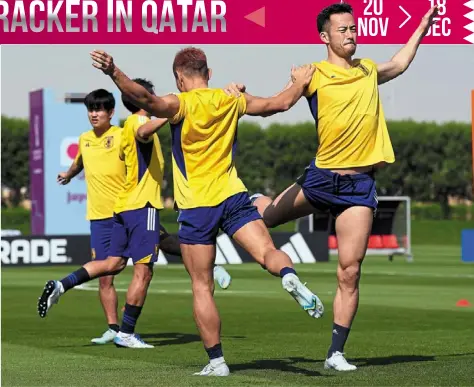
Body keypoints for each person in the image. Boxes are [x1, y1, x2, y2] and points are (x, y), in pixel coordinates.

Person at [228, 2, 439, 372]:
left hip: (359, 188)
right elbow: (276, 105)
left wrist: (421, 27)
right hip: (322, 178)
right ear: (325, 37)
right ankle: (245, 201)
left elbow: (400, 63)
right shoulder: (314, 74)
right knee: (270, 216)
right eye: (343, 30)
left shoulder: (369, 70)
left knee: (350, 271)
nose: (352, 34)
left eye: (354, 28)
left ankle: (336, 352)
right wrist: (237, 97)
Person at [90, 47, 324, 376]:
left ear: (179, 79)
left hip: (197, 208)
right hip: (233, 196)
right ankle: (289, 277)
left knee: (202, 286)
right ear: (209, 73)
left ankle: (217, 361)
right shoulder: (231, 99)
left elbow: (144, 99)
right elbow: (278, 104)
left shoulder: (179, 103)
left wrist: (114, 71)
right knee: (268, 251)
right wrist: (299, 82)